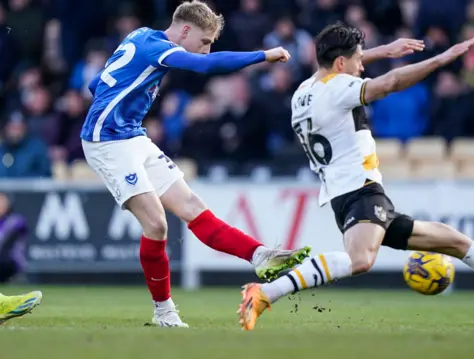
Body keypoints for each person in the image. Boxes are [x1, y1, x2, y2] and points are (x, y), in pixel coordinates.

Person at [237, 23, 474, 331]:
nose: (363, 65)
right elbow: (390, 82)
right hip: (361, 191)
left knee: (458, 243)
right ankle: (266, 293)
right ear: (342, 64)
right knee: (360, 260)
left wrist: (382, 51)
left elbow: (339, 65)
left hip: (347, 195)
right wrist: (439, 61)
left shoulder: (303, 92)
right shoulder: (340, 89)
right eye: (358, 59)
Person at [80, 0, 311, 328]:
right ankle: (164, 312)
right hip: (107, 142)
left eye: (208, 46)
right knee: (157, 225)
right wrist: (263, 55)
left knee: (192, 206)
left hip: (132, 136)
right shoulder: (159, 48)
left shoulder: (140, 36)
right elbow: (206, 67)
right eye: (204, 42)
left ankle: (260, 256)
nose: (204, 51)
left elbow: (97, 82)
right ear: (185, 30)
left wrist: (111, 93)